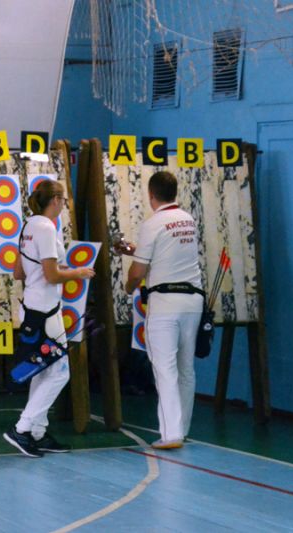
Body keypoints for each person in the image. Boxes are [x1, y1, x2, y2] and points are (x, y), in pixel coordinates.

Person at [3, 180, 94, 458]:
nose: (64, 204)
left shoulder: (28, 226)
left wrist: (53, 269)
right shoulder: (46, 227)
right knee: (60, 372)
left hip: (32, 307)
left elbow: (19, 272)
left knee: (41, 370)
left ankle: (37, 433)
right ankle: (22, 428)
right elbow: (52, 276)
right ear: (55, 199)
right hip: (47, 312)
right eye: (63, 199)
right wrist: (79, 273)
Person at [120, 170, 203, 450]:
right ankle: (182, 429)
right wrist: (137, 249)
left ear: (151, 194)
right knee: (185, 368)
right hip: (192, 301)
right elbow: (169, 255)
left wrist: (129, 287)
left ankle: (170, 434)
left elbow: (138, 271)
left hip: (165, 303)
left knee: (164, 368)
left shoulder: (152, 224)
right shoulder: (188, 220)